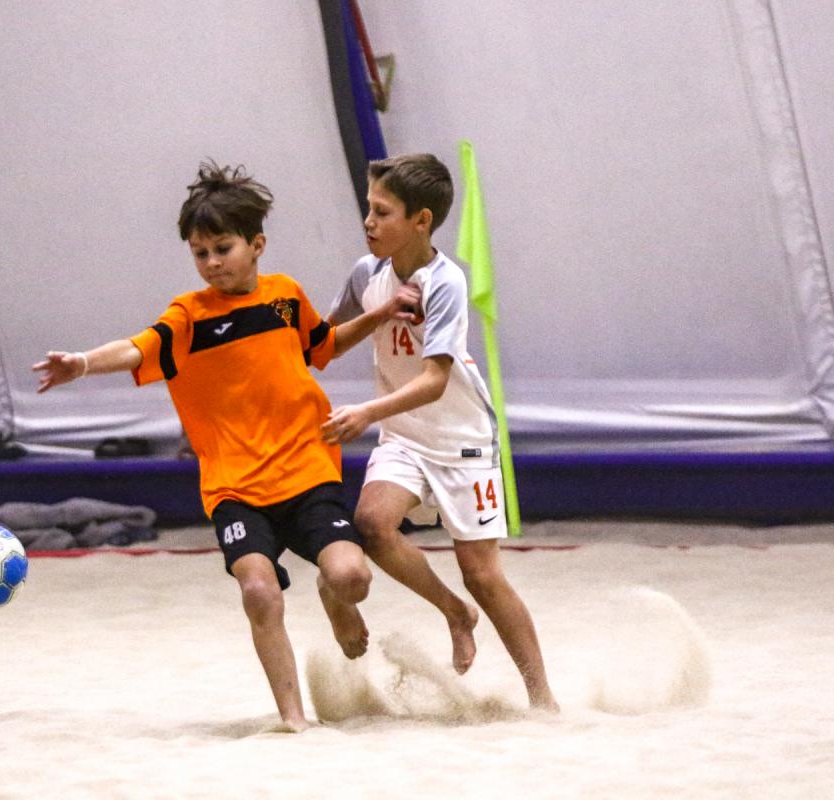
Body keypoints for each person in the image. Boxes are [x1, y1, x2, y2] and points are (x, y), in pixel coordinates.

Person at [33, 161, 421, 731]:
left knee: (351, 577)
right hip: (235, 488)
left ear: (256, 245)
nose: (212, 262)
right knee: (259, 590)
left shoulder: (285, 297)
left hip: (307, 471)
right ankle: (294, 719)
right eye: (200, 253)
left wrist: (381, 312)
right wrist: (83, 363)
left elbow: (324, 346)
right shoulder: (188, 318)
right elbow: (137, 349)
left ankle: (334, 599)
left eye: (223, 248)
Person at [324, 153, 559, 711]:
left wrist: (367, 412)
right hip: (404, 437)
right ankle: (454, 612)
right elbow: (321, 343)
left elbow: (434, 382)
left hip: (462, 441)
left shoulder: (446, 282)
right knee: (372, 525)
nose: (369, 221)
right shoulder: (366, 274)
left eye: (383, 212)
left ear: (421, 220)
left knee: (482, 574)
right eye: (368, 208)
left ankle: (543, 698)